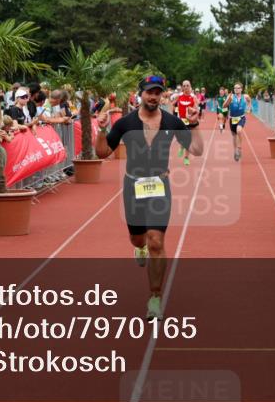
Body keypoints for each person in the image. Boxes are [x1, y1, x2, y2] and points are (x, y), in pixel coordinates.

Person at [95, 74, 202, 320]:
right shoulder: (125, 123)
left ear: (162, 95)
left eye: (157, 92)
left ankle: (155, 297)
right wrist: (102, 129)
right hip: (133, 186)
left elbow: (196, 150)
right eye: (149, 92)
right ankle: (139, 247)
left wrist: (194, 125)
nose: (153, 96)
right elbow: (102, 153)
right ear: (140, 94)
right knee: (138, 239)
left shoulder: (173, 122)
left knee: (156, 241)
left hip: (160, 186)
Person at [223, 82, 252, 162]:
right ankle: (235, 151)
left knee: (239, 130)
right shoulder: (231, 97)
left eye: (238, 88)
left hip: (241, 117)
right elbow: (224, 106)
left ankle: (239, 148)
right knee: (234, 136)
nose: (236, 89)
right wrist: (228, 99)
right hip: (232, 119)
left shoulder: (245, 96)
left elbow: (249, 101)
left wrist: (249, 108)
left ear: (241, 89)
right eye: (235, 88)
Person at [174, 81, 197, 166]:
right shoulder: (179, 96)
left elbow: (196, 109)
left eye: (187, 85)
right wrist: (175, 112)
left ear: (190, 86)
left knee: (188, 139)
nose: (186, 87)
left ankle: (186, 158)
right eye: (184, 86)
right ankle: (181, 146)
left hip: (190, 120)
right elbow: (172, 104)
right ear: (182, 87)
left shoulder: (193, 97)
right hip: (180, 120)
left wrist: (193, 112)